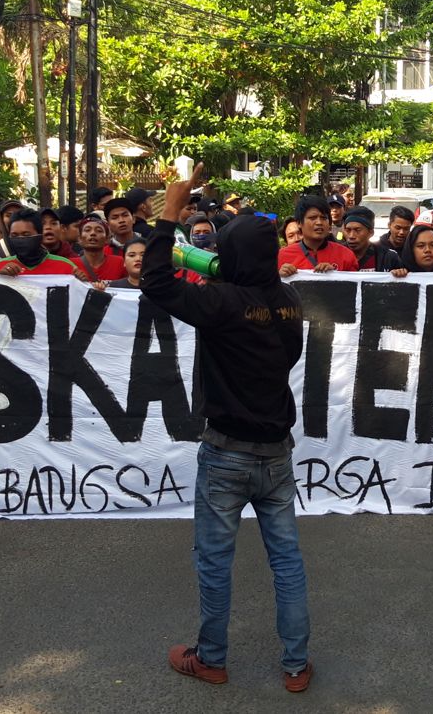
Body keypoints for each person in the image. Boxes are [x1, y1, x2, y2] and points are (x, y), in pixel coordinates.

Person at [139, 164, 312, 692]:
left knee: (215, 560)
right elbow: (286, 353)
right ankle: (296, 666)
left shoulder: (218, 304)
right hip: (276, 452)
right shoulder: (287, 303)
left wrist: (170, 213)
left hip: (225, 455)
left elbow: (156, 283)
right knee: (287, 560)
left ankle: (211, 657)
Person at [277, 196, 358, 276]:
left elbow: (355, 286)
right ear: (299, 223)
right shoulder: (282, 256)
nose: (319, 222)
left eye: (323, 218)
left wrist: (334, 275)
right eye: (312, 218)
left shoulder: (346, 255)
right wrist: (279, 278)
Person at [0, 208, 78, 276]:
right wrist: (0, 279)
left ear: (39, 235)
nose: (20, 239)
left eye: (26, 235)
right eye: (14, 235)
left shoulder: (66, 267)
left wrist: (82, 280)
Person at [73, 215, 127, 281]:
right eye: (87, 230)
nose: (93, 233)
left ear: (107, 239)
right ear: (79, 238)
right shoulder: (71, 264)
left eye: (99, 231)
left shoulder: (119, 263)